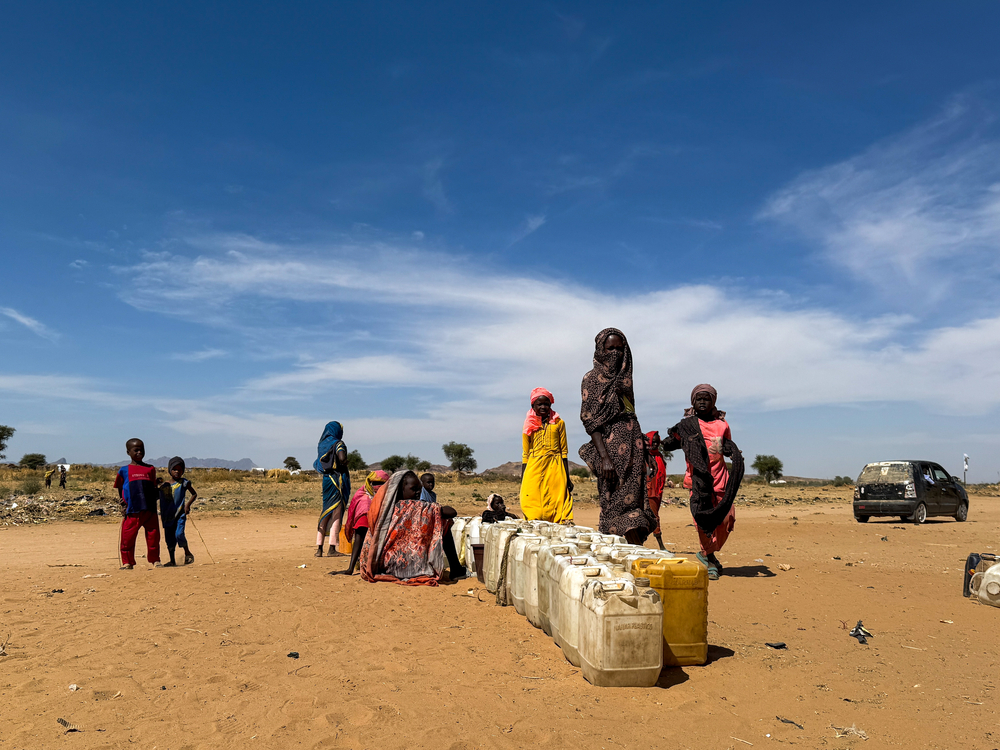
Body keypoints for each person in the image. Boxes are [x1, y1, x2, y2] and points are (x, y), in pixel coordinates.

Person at [578, 328, 656, 543]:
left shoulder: (626, 379)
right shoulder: (592, 379)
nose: (615, 353)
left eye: (620, 349)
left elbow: (631, 414)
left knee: (635, 504)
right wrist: (604, 458)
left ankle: (633, 554)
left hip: (635, 449)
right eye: (610, 348)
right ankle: (623, 553)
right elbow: (590, 420)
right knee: (614, 503)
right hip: (610, 453)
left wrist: (646, 451)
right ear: (600, 349)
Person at [661, 384, 744, 581]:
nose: (702, 401)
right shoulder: (687, 425)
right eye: (698, 399)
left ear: (713, 402)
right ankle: (710, 558)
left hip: (721, 479)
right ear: (693, 402)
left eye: (706, 398)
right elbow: (670, 443)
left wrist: (734, 454)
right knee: (703, 522)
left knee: (726, 520)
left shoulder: (722, 425)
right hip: (697, 482)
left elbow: (725, 446)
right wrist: (658, 443)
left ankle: (708, 554)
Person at [359, 470, 448, 586]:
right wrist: (437, 509)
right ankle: (456, 569)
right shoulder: (417, 508)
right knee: (444, 522)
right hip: (412, 566)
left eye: (419, 489)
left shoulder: (384, 509)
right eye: (414, 489)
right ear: (400, 490)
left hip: (385, 565)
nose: (418, 492)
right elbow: (451, 512)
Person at [519, 388, 574, 524]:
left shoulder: (559, 423)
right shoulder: (528, 425)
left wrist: (567, 477)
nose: (543, 407)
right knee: (530, 496)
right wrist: (523, 477)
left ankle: (561, 523)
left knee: (558, 496)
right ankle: (534, 521)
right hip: (534, 464)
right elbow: (525, 453)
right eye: (540, 404)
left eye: (547, 404)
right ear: (533, 406)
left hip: (555, 465)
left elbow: (564, 452)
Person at [113, 438, 161, 570]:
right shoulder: (124, 470)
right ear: (128, 452)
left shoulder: (150, 469)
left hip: (149, 509)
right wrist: (123, 504)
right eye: (136, 450)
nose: (139, 452)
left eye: (142, 449)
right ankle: (127, 562)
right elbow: (120, 487)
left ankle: (155, 560)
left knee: (153, 537)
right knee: (127, 538)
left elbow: (153, 487)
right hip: (132, 510)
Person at [334, 469, 389, 575]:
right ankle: (352, 567)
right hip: (364, 521)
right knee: (361, 539)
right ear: (370, 483)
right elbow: (358, 539)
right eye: (375, 483)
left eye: (381, 483)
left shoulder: (383, 498)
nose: (377, 486)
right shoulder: (365, 502)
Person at [313, 421, 351, 558]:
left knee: (325, 511)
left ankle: (319, 549)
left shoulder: (321, 445)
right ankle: (332, 548)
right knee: (336, 513)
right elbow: (341, 457)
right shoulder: (338, 443)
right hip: (337, 481)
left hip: (326, 481)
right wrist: (345, 462)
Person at [159, 457, 197, 567]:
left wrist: (187, 505)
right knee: (169, 539)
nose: (177, 472)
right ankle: (172, 560)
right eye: (174, 469)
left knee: (179, 534)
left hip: (180, 514)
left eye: (179, 469)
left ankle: (187, 553)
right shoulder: (164, 485)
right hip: (167, 516)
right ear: (169, 470)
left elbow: (194, 494)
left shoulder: (184, 483)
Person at [645, 431, 667, 550]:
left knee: (653, 516)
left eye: (657, 442)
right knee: (655, 517)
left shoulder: (659, 456)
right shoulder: (645, 457)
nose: (654, 444)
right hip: (649, 492)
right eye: (652, 442)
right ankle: (661, 545)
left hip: (658, 492)